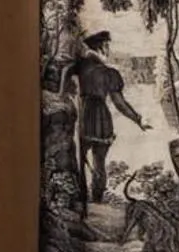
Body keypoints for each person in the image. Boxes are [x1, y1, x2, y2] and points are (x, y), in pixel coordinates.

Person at [60, 29, 148, 206]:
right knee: (99, 162)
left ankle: (83, 198)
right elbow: (119, 103)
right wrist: (138, 119)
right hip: (102, 119)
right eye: (107, 46)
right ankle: (97, 200)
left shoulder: (81, 66)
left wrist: (62, 92)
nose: (108, 50)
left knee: (80, 158)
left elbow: (66, 71)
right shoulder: (109, 73)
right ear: (101, 48)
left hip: (85, 115)